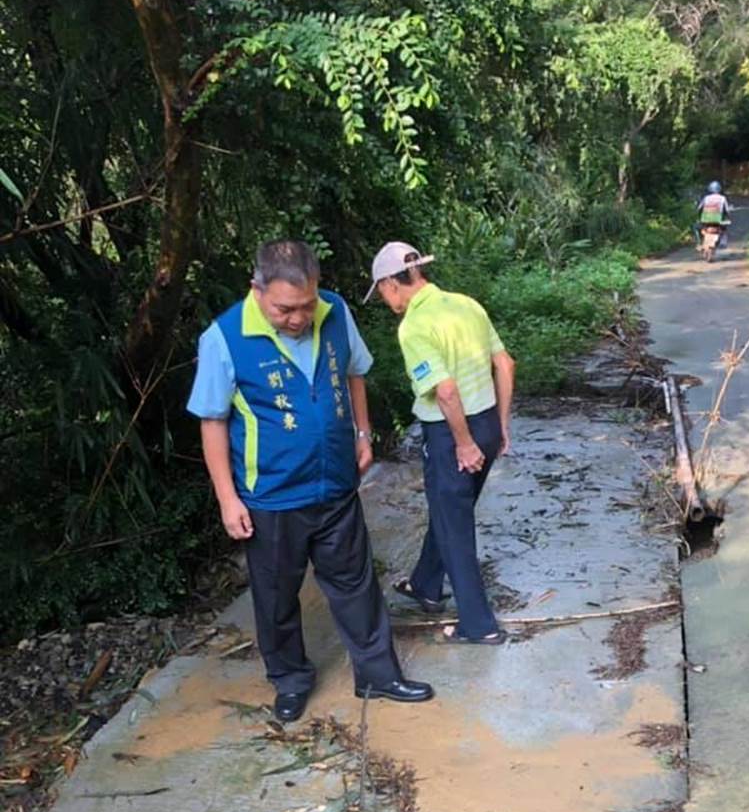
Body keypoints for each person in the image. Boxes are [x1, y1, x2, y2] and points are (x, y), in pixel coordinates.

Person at [187, 239, 433, 722]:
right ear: (256, 290)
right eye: (285, 309)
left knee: (357, 583)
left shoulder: (335, 310)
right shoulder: (225, 337)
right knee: (276, 595)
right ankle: (291, 680)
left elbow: (355, 373)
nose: (299, 318)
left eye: (306, 305)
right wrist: (226, 499)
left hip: (336, 483)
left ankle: (378, 674)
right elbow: (212, 420)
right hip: (272, 496)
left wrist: (363, 433)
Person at [364, 242, 515, 644]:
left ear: (391, 283)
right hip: (484, 421)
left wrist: (463, 443)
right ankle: (425, 584)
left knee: (455, 526)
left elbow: (445, 392)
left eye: (380, 289)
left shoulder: (414, 326)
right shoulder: (466, 304)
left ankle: (479, 626)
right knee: (449, 511)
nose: (383, 298)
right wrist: (500, 425)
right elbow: (504, 363)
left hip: (452, 434)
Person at [696, 181, 731, 247]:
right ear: (719, 189)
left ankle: (699, 242)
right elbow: (727, 210)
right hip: (718, 220)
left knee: (696, 228)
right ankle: (723, 243)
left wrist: (699, 217)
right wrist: (728, 218)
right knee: (724, 229)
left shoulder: (705, 198)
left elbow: (699, 209)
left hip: (705, 220)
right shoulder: (723, 198)